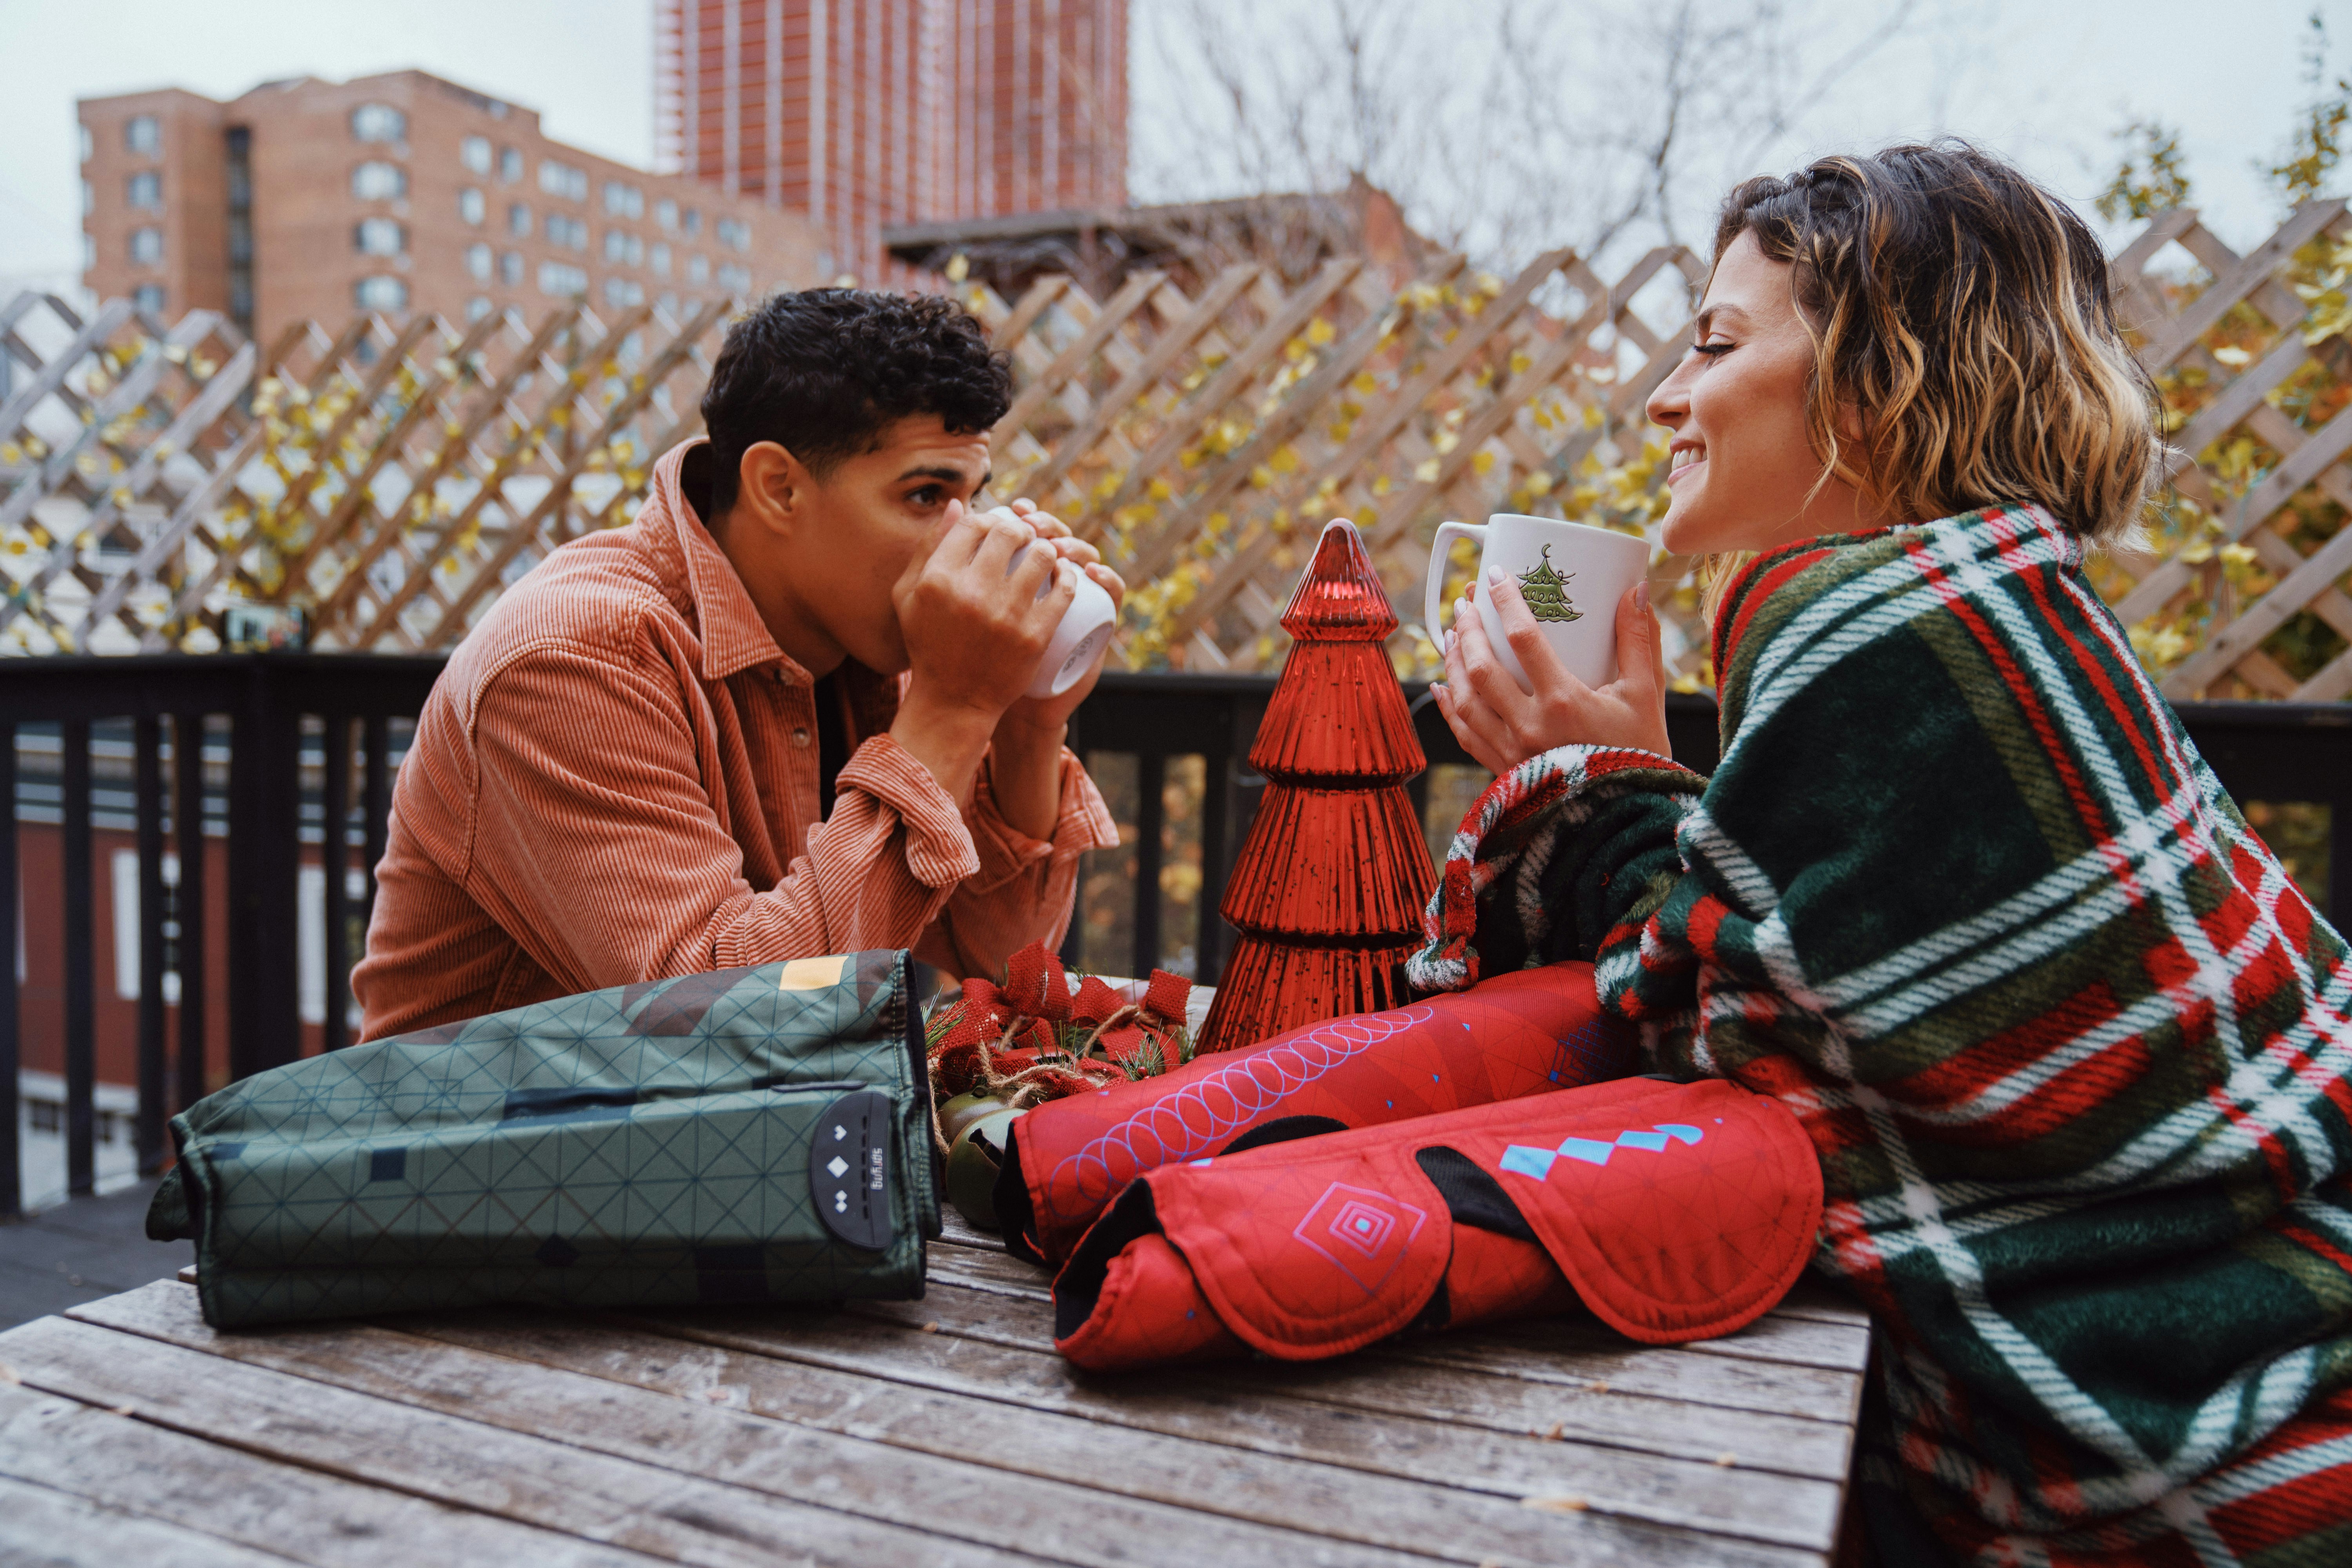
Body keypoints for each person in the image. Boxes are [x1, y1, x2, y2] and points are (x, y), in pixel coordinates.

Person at [1413, 143, 2352, 1564]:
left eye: (1718, 344)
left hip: (2215, 1438)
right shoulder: (1991, 604)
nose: (1668, 395)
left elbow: (1713, 1059)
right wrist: (1620, 776)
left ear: (1875, 382)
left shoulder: (1870, 629)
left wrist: (1585, 789)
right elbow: (1830, 987)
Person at [354, 290, 1120, 1040]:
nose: (962, 539)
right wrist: (953, 707)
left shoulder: (875, 642)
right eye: (925, 494)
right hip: (492, 1152)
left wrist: (1024, 718)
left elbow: (997, 963)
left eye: (971, 497)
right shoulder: (574, 656)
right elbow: (723, 1024)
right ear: (779, 487)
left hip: (720, 1152)